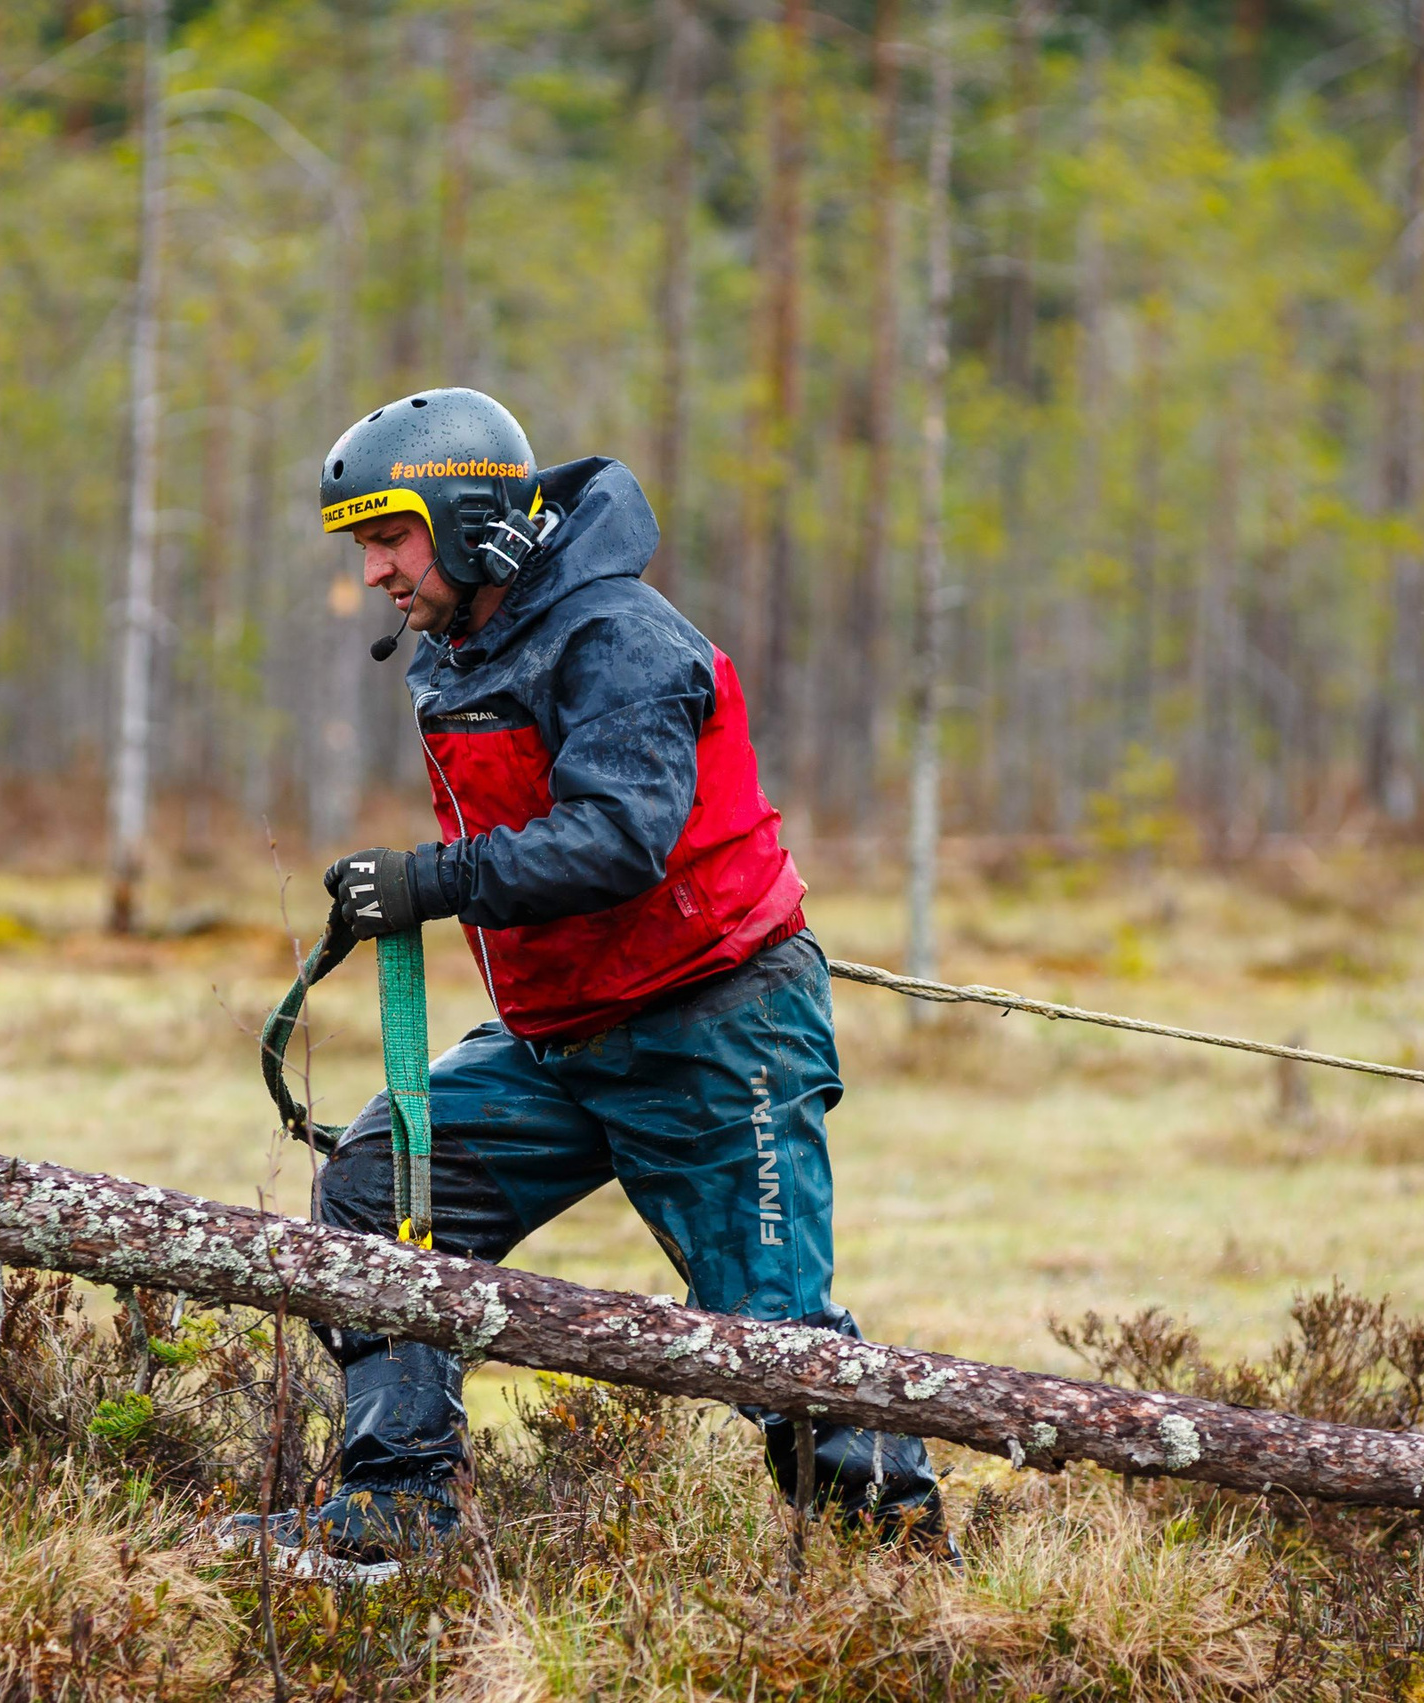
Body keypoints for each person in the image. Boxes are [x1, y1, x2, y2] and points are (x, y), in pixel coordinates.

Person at [223, 387, 947, 1581]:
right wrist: (424, 887)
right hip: (558, 1038)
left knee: (771, 1337)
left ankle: (907, 1581)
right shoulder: (472, 644)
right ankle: (396, 1518)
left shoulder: (618, 636)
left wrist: (430, 878)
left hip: (717, 1032)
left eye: (388, 536)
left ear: (465, 520)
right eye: (361, 545)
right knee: (371, 1199)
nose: (376, 572)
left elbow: (620, 838)